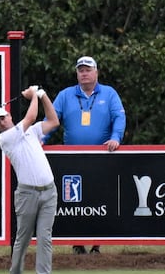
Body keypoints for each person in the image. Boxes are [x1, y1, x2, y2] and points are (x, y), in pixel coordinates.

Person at [52, 54, 126, 252]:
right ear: (77, 74)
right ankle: (77, 242)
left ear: (96, 72)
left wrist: (116, 137)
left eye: (88, 70)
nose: (84, 74)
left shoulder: (109, 93)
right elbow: (52, 119)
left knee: (100, 198)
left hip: (101, 156)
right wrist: (40, 138)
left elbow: (119, 117)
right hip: (72, 158)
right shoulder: (65, 95)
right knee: (73, 200)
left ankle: (96, 244)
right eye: (81, 70)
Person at [0, 85, 60, 274]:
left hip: (49, 192)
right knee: (22, 239)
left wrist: (42, 95)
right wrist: (33, 96)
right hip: (27, 194)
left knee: (45, 238)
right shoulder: (6, 139)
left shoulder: (31, 131)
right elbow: (31, 116)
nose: (2, 122)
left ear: (9, 116)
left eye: (3, 118)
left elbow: (53, 121)